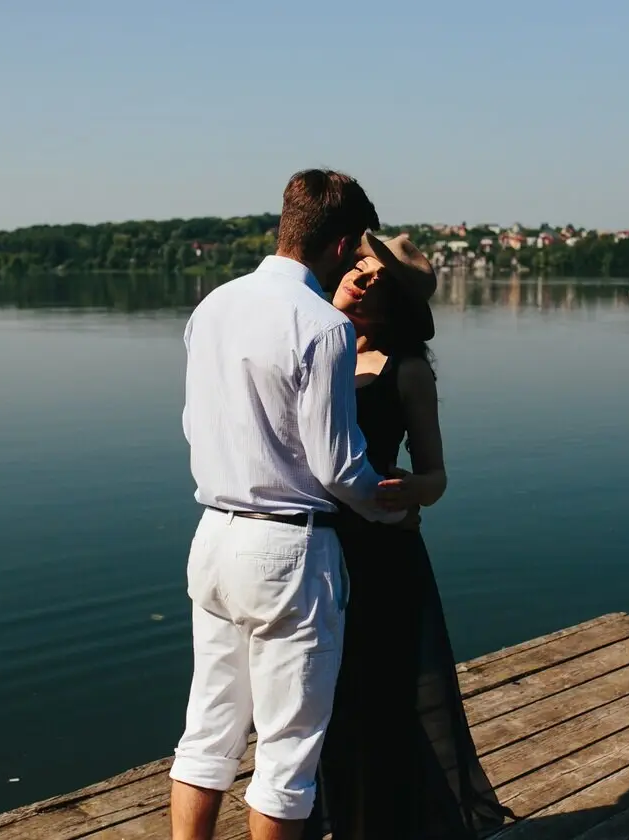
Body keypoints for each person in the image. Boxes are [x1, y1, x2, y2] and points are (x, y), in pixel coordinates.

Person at [170, 170, 413, 840]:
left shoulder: (211, 307)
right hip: (289, 552)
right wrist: (391, 509)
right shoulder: (324, 326)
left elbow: (196, 427)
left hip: (213, 536)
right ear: (340, 244)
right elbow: (337, 465)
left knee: (207, 732)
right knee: (286, 757)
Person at [305, 232, 515, 840]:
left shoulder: (407, 371)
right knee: (323, 698)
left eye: (380, 281)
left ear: (395, 307)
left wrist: (409, 490)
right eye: (362, 267)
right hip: (315, 550)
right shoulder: (310, 348)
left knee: (387, 701)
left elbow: (437, 475)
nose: (363, 279)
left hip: (383, 557)